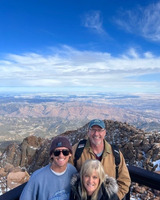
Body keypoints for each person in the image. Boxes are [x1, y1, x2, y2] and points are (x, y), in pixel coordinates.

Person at [70, 119, 131, 200]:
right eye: (93, 130)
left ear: (104, 132)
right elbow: (65, 172)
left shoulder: (115, 153)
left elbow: (125, 180)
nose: (96, 133)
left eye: (99, 130)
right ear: (88, 132)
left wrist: (115, 197)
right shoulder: (77, 150)